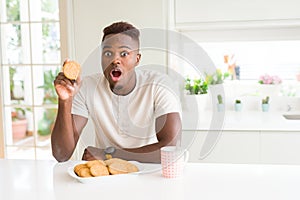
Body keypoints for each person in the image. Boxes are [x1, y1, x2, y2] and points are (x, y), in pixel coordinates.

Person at [51, 21, 182, 163]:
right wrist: (65, 100)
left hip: (148, 172)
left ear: (137, 59)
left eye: (124, 53)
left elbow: (171, 149)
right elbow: (61, 154)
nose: (115, 60)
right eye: (108, 53)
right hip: (105, 174)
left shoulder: (159, 85)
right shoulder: (87, 87)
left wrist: (110, 155)